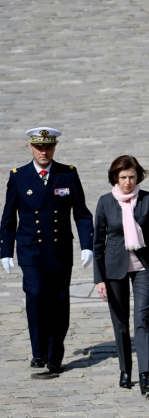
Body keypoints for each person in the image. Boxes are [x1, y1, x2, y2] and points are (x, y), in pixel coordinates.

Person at [0, 127, 93, 375]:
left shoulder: (67, 175)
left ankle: (54, 356)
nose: (44, 151)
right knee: (36, 295)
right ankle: (38, 350)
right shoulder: (19, 176)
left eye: (48, 147)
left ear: (54, 147)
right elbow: (8, 218)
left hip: (59, 249)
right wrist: (6, 252)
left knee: (60, 301)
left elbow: (81, 214)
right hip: (30, 249)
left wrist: (87, 245)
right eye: (39, 147)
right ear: (31, 147)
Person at [93, 155, 149, 393]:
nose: (127, 182)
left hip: (143, 267)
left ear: (138, 177)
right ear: (115, 177)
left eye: (132, 177)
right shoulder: (105, 202)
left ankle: (145, 374)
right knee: (121, 322)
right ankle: (125, 369)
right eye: (123, 177)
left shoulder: (147, 200)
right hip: (114, 268)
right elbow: (98, 243)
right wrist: (99, 278)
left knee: (142, 320)